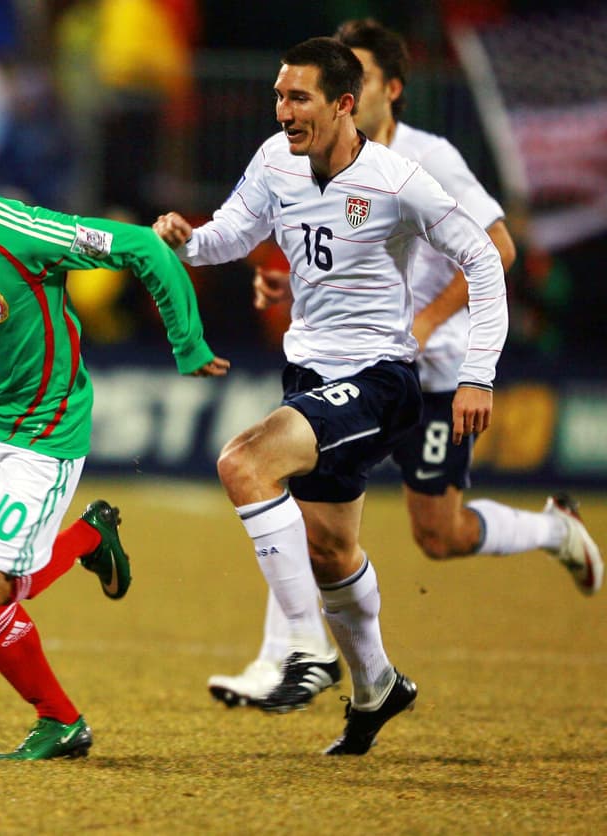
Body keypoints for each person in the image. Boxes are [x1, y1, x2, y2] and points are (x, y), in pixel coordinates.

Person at [205, 20, 603, 714]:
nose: (325, 98)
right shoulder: (299, 160)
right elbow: (315, 249)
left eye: (347, 80)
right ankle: (299, 658)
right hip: (350, 366)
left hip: (432, 369)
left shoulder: (426, 161)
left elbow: (495, 250)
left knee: (436, 533)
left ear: (379, 91)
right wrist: (283, 281)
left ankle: (552, 529)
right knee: (304, 507)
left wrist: (433, 328)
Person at [153, 37, 509, 755]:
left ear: (345, 105)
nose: (284, 112)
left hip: (380, 380)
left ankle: (304, 651)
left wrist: (477, 371)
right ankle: (378, 684)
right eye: (280, 97)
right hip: (312, 377)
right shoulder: (275, 162)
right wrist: (186, 241)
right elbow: (232, 234)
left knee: (243, 462)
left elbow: (482, 253)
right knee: (329, 549)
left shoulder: (397, 179)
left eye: (300, 98)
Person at [0, 105, 228, 760]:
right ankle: (88, 539)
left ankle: (61, 721)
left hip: (42, 435)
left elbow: (142, 248)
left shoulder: (25, 232)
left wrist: (187, 342)